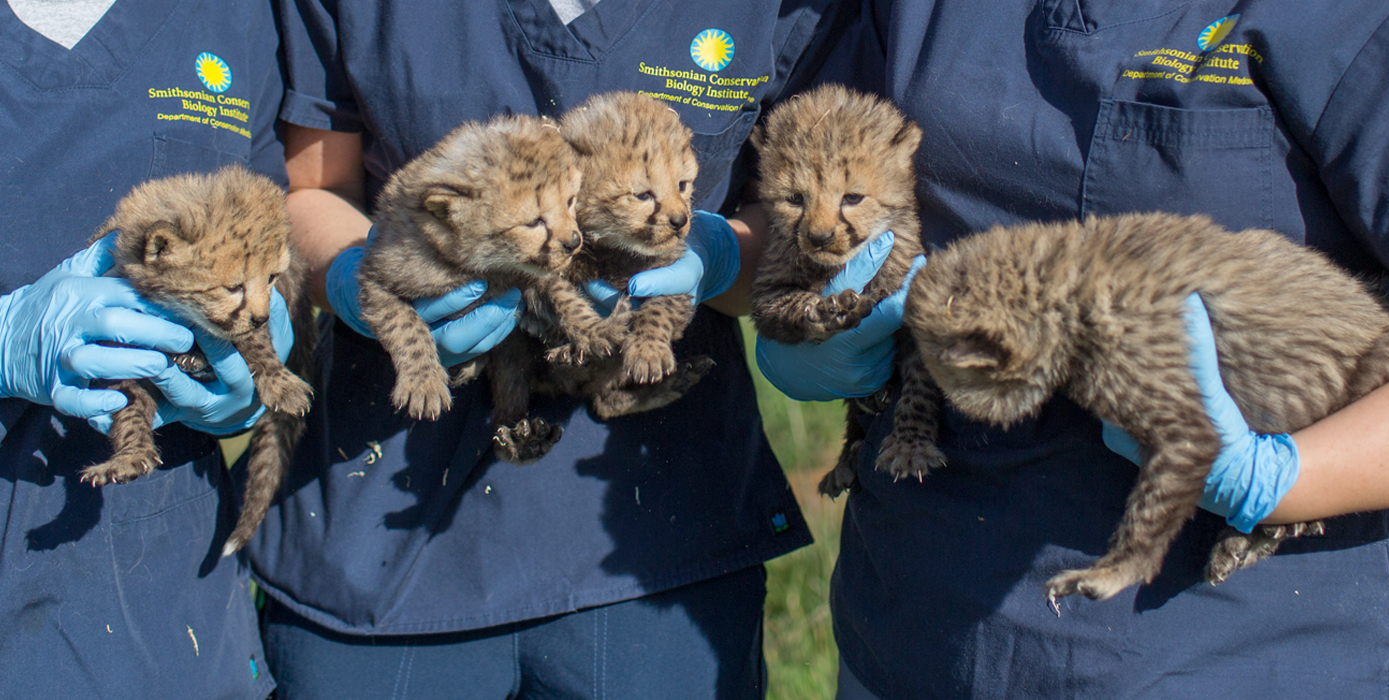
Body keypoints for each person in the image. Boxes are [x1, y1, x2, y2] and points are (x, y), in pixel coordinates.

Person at [756, 1, 1389, 697]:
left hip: (1225, 647)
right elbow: (791, 181)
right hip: (918, 621)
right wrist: (785, 305)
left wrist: (1282, 481)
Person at [245, 1, 852, 697]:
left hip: (653, 530)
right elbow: (313, 187)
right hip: (384, 523)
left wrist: (719, 256)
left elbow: (803, 219)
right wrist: (359, 277)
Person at [0, 1, 289, 697]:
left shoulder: (229, 16)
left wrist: (268, 341)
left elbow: (275, 210)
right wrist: (8, 340)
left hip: (160, 609)